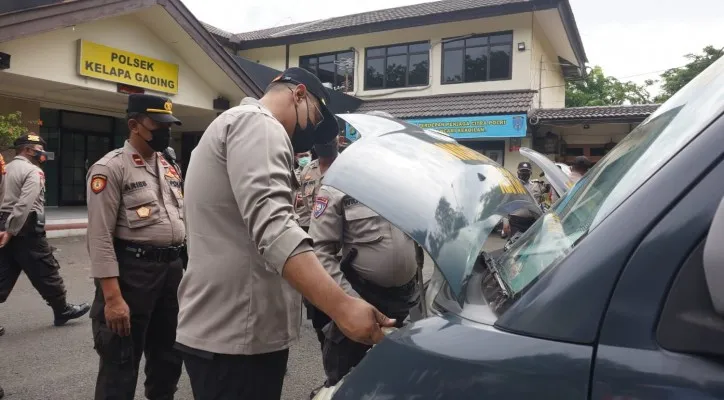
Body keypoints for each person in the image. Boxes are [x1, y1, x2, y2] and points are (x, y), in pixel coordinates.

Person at [175, 67, 395, 400]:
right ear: (299, 93)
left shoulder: (235, 124)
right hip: (236, 339)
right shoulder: (259, 125)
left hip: (232, 333)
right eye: (316, 117)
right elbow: (276, 229)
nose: (313, 131)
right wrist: (343, 308)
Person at [86, 94, 186, 400]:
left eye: (169, 125)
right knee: (120, 363)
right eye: (158, 124)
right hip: (133, 274)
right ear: (134, 125)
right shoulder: (110, 168)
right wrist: (112, 298)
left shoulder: (169, 166)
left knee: (168, 360)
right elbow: (99, 237)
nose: (165, 131)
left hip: (172, 272)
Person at [309, 183, 420, 388]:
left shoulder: (401, 184)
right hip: (359, 297)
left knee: (395, 376)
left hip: (404, 301)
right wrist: (348, 302)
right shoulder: (336, 187)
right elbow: (319, 251)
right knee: (348, 379)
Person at [0, 134, 89, 328]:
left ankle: (61, 309)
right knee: (45, 268)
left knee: (4, 271)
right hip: (25, 227)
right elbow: (25, 203)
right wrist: (11, 229)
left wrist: (4, 228)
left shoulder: (6, 168)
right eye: (39, 148)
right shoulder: (33, 171)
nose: (42, 153)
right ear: (27, 150)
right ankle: (62, 310)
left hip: (5, 222)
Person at [299, 137, 340, 350]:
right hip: (310, 239)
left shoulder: (346, 168)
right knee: (316, 305)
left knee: (337, 298)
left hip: (338, 247)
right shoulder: (308, 171)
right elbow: (301, 203)